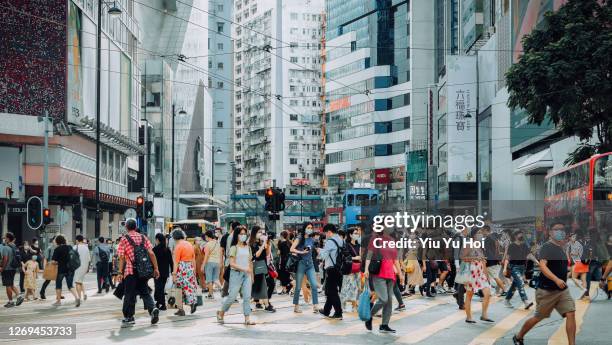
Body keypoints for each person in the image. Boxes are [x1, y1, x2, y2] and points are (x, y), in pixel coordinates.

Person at [513, 223, 576, 345]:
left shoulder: (560, 248)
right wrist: (556, 279)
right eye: (557, 229)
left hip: (562, 290)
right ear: (550, 232)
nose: (560, 232)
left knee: (571, 313)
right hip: (547, 291)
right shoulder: (547, 247)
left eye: (562, 229)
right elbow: (542, 266)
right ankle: (519, 336)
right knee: (538, 317)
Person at [116, 218, 160, 325]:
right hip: (143, 271)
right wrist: (156, 268)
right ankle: (152, 308)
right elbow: (151, 253)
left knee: (129, 294)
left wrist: (120, 272)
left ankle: (129, 317)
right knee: (144, 292)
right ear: (135, 227)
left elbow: (121, 257)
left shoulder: (124, 239)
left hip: (130, 271)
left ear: (126, 227)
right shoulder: (143, 237)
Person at [364, 228, 403, 333]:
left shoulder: (391, 240)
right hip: (379, 274)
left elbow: (395, 259)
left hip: (391, 274)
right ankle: (369, 316)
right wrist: (366, 269)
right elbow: (369, 255)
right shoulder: (375, 239)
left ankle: (384, 325)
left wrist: (400, 273)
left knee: (389, 302)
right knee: (383, 299)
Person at [217, 226, 255, 325]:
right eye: (241, 234)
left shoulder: (248, 248)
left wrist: (252, 276)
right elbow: (232, 264)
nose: (243, 236)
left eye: (244, 234)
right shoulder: (234, 248)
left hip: (247, 275)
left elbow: (250, 262)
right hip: (235, 274)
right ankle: (221, 313)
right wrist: (244, 269)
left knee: (247, 297)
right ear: (236, 235)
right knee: (232, 297)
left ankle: (247, 319)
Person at [461, 228, 494, 324]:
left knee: (487, 293)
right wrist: (475, 258)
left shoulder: (480, 245)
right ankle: (469, 317)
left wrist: (487, 275)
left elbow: (483, 261)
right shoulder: (469, 244)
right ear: (474, 234)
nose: (481, 234)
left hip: (481, 272)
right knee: (469, 295)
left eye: (481, 232)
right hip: (471, 272)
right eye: (479, 232)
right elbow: (463, 257)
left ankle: (484, 315)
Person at [290, 222, 320, 314]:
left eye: (311, 227)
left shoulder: (311, 239)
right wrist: (301, 252)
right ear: (304, 228)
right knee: (298, 286)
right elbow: (291, 249)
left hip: (310, 264)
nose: (310, 229)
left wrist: (317, 251)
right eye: (308, 227)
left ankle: (315, 305)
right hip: (301, 264)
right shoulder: (299, 238)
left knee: (314, 285)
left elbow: (312, 250)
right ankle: (296, 306)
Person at [503, 230, 535, 309]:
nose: (521, 235)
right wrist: (504, 268)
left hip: (522, 268)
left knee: (514, 285)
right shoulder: (512, 246)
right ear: (515, 236)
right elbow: (507, 258)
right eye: (519, 234)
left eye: (522, 233)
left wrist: (538, 262)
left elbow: (530, 255)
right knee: (520, 283)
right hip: (514, 267)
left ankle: (507, 300)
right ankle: (526, 301)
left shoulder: (524, 245)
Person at [318, 223, 344, 319]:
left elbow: (323, 256)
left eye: (325, 233)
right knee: (330, 290)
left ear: (329, 232)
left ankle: (338, 312)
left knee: (331, 291)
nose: (325, 235)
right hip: (339, 268)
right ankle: (326, 310)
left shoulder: (330, 241)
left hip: (331, 269)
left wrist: (319, 251)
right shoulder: (341, 240)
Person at [171, 229, 198, 316]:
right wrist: (194, 271)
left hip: (181, 268)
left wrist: (174, 274)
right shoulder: (189, 244)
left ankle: (181, 309)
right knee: (189, 287)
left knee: (178, 289)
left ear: (175, 237)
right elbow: (193, 259)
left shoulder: (178, 246)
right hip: (190, 267)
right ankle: (192, 303)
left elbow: (176, 262)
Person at [248, 226, 274, 312]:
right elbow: (256, 255)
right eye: (259, 232)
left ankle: (258, 302)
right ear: (254, 233)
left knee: (259, 285)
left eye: (262, 232)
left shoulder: (261, 242)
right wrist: (263, 245)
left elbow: (266, 254)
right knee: (262, 285)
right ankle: (266, 305)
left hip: (263, 265)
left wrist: (267, 244)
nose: (261, 234)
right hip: (256, 266)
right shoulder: (251, 243)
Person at [51, 235, 80, 307]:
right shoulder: (69, 247)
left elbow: (54, 261)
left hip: (61, 270)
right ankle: (77, 297)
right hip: (70, 269)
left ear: (57, 241)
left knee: (58, 285)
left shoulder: (57, 249)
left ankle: (58, 301)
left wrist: (55, 262)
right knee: (70, 285)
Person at [340, 226, 361, 312]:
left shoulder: (359, 245)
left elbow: (361, 256)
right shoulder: (346, 245)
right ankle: (342, 304)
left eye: (357, 233)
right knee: (346, 287)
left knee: (357, 288)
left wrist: (359, 257)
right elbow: (345, 257)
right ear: (350, 235)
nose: (357, 235)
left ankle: (354, 306)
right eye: (355, 233)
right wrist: (356, 257)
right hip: (349, 269)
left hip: (358, 268)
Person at [1, 232, 24, 307]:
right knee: (11, 284)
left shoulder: (6, 247)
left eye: (5, 237)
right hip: (13, 268)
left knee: (8, 285)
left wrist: (2, 268)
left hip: (7, 269)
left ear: (7, 238)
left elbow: (5, 259)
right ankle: (19, 296)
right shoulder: (14, 246)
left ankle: (10, 302)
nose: (4, 239)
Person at [482, 227, 506, 296]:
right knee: (489, 276)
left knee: (494, 277)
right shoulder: (495, 238)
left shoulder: (488, 239)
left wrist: (485, 259)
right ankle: (493, 291)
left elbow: (487, 251)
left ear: (486, 230)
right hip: (496, 260)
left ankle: (504, 290)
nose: (482, 233)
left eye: (483, 231)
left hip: (490, 261)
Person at [153, 233, 173, 310]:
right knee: (160, 288)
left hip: (157, 272)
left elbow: (152, 262)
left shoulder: (155, 249)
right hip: (165, 273)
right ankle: (158, 303)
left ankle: (163, 305)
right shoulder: (167, 249)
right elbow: (171, 262)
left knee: (159, 288)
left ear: (157, 240)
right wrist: (172, 272)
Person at [220, 221, 239, 297]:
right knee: (231, 278)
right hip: (232, 260)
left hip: (230, 260)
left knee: (229, 278)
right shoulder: (233, 237)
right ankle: (229, 294)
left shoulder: (231, 236)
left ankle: (226, 293)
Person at [202, 230, 222, 299]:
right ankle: (220, 289)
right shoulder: (217, 243)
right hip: (217, 262)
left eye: (205, 237)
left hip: (210, 262)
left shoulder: (207, 244)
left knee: (209, 279)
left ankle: (211, 294)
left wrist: (203, 265)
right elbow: (220, 253)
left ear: (207, 236)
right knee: (215, 279)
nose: (205, 238)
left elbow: (206, 256)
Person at [73, 235, 90, 302]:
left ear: (77, 240)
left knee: (77, 282)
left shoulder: (74, 247)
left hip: (77, 267)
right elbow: (89, 259)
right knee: (80, 281)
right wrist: (88, 268)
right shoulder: (86, 248)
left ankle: (79, 298)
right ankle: (84, 293)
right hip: (84, 267)